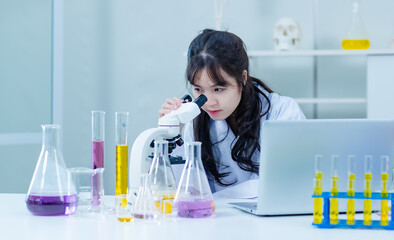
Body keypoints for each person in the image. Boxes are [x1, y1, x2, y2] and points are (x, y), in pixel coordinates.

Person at [159, 29, 305, 194]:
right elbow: (186, 193)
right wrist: (172, 136)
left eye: (219, 89)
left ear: (242, 78)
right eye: (198, 89)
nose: (209, 103)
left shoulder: (282, 112)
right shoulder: (195, 122)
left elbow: (292, 185)